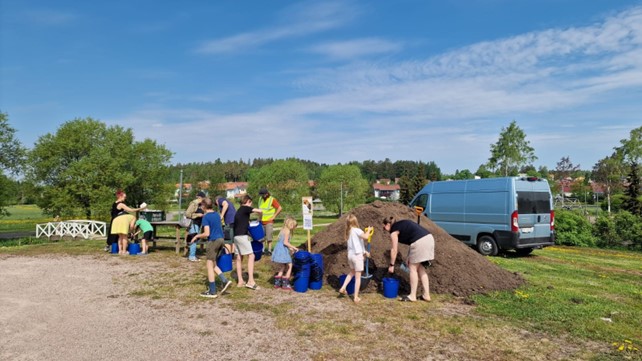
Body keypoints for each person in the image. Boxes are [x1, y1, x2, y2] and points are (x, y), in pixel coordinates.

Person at [382, 216, 435, 302]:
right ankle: (426, 295)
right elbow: (413, 239)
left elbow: (394, 250)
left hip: (420, 242)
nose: (384, 229)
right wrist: (409, 256)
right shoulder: (401, 224)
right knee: (421, 268)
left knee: (413, 268)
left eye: (384, 226)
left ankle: (412, 296)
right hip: (429, 239)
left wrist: (391, 265)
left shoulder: (393, 231)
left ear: (388, 224)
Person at [192, 198, 232, 298]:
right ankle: (225, 280)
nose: (201, 207)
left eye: (201, 205)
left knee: (209, 265)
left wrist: (196, 236)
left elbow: (207, 233)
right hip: (221, 240)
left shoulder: (206, 217)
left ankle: (212, 291)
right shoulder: (217, 215)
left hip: (213, 241)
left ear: (204, 206)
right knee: (213, 264)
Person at [338, 214, 372, 304]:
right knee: (358, 277)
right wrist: (368, 231)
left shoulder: (349, 232)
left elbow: (358, 244)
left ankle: (343, 287)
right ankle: (356, 297)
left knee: (351, 272)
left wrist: (365, 251)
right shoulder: (357, 230)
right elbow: (365, 237)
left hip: (351, 256)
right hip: (357, 256)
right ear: (355, 221)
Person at [233, 194, 262, 290]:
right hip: (242, 236)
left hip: (236, 236)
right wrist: (260, 218)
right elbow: (259, 211)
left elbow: (242, 225)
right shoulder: (245, 208)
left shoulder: (239, 211)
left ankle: (240, 281)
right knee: (251, 256)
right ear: (248, 201)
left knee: (239, 258)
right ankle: (250, 281)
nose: (251, 204)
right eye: (251, 202)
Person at [110, 190, 146, 255]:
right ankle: (124, 251)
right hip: (122, 221)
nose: (125, 198)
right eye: (124, 197)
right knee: (124, 236)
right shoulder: (121, 204)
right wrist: (141, 209)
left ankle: (120, 251)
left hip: (115, 220)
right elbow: (131, 210)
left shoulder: (114, 203)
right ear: (120, 196)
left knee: (120, 236)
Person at [271, 216, 299, 290]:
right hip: (282, 250)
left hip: (279, 249)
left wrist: (290, 248)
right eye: (294, 226)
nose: (294, 228)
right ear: (290, 224)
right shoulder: (288, 231)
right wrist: (294, 247)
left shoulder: (283, 230)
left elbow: (283, 243)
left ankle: (277, 283)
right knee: (290, 265)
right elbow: (285, 242)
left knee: (283, 266)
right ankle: (285, 283)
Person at [258, 188, 282, 255]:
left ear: (266, 194)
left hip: (269, 221)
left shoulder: (272, 200)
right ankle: (262, 250)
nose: (261, 196)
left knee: (269, 237)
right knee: (262, 237)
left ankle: (269, 250)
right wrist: (259, 218)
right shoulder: (260, 199)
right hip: (262, 221)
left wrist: (274, 216)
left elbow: (280, 208)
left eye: (262, 195)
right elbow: (260, 210)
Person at [185, 191, 206, 261]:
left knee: (195, 239)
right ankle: (191, 256)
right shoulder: (194, 204)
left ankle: (192, 254)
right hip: (193, 223)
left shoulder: (200, 204)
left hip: (198, 224)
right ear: (200, 198)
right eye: (203, 198)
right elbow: (187, 214)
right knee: (193, 239)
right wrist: (198, 215)